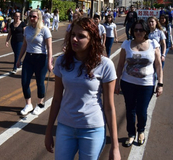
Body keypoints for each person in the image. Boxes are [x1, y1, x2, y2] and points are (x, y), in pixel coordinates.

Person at [45, 17, 120, 160]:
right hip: (65, 127)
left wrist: (115, 146)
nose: (74, 39)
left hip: (92, 129)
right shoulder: (62, 61)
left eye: (81, 36)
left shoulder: (105, 65)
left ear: (92, 39)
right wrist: (48, 132)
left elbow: (109, 107)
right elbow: (56, 100)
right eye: (73, 34)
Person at [115, 19, 163, 148]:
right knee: (130, 110)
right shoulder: (126, 44)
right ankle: (131, 134)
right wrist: (117, 82)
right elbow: (120, 65)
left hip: (147, 84)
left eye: (141, 29)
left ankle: (141, 131)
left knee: (142, 111)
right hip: (128, 82)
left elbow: (158, 66)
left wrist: (160, 84)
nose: (138, 32)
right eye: (135, 29)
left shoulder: (153, 44)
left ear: (146, 30)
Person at [16, 9, 53, 116]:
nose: (32, 18)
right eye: (30, 16)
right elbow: (24, 45)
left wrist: (49, 62)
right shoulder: (26, 29)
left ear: (39, 18)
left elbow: (49, 47)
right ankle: (28, 104)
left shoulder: (44, 30)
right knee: (24, 82)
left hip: (41, 58)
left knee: (40, 82)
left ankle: (39, 104)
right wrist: (19, 59)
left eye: (34, 17)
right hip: (29, 58)